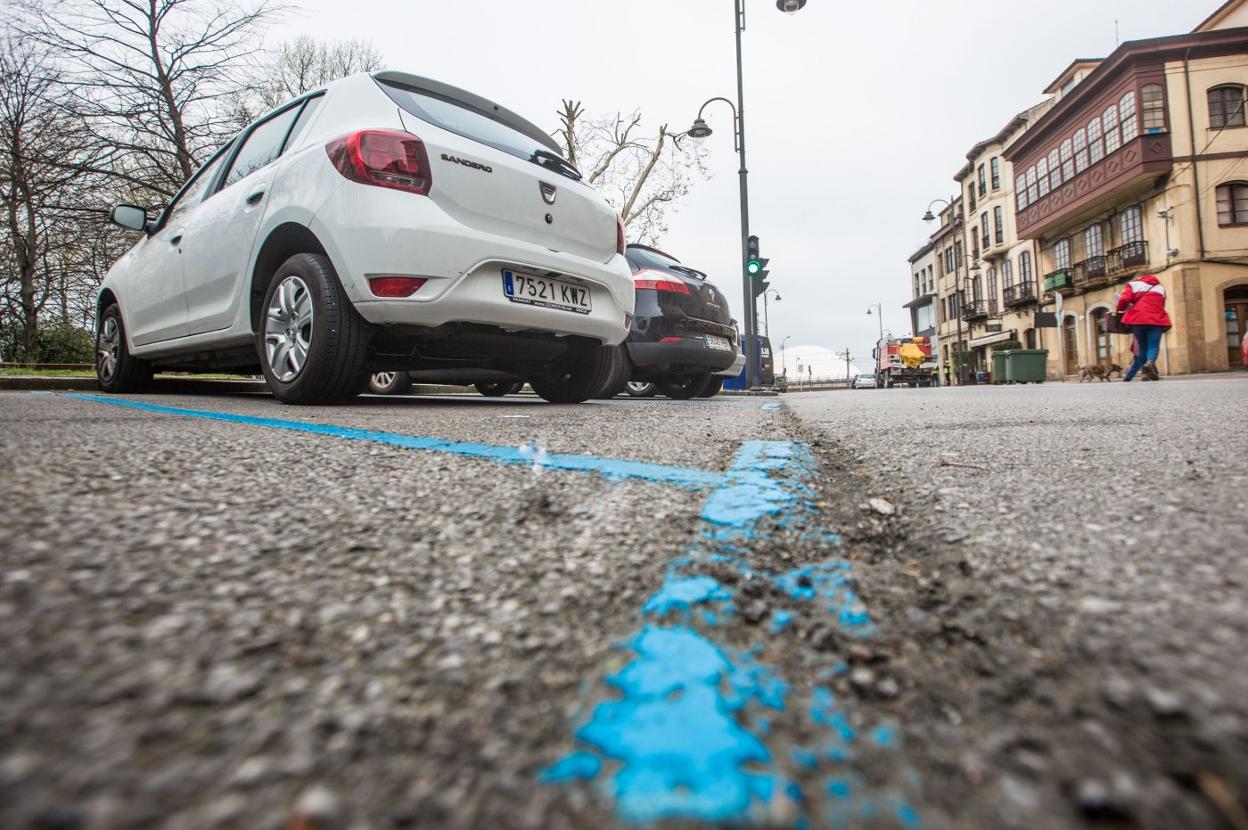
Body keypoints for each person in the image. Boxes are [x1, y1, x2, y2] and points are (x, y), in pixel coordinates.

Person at [1117, 274, 1171, 382]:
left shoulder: (1133, 285)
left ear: (1138, 277)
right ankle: (1150, 362)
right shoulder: (1160, 288)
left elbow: (1124, 299)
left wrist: (1119, 309)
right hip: (1156, 319)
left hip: (1138, 319)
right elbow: (1162, 303)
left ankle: (1144, 370)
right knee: (1153, 346)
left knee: (1142, 347)